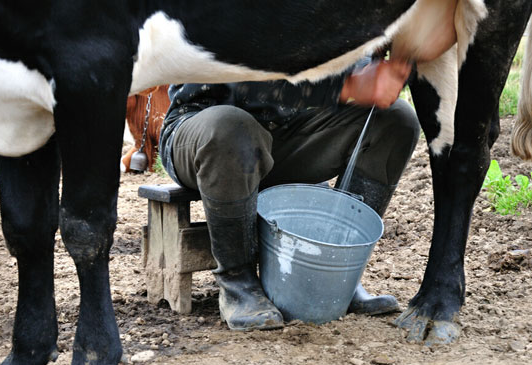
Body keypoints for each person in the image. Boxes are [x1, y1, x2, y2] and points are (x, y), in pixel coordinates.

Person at [159, 57, 420, 331]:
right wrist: (347, 84)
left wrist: (378, 70)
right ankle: (238, 283)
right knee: (233, 126)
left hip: (283, 129)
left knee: (395, 119)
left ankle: (338, 277)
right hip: (204, 128)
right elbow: (245, 83)